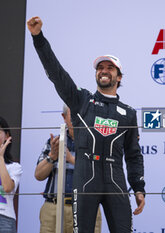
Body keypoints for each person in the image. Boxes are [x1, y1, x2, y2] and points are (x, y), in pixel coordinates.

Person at [27, 16, 145, 233]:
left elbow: (134, 154)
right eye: (101, 67)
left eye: (110, 68)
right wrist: (38, 37)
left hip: (115, 180)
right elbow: (56, 73)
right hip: (85, 179)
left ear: (119, 77)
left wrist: (138, 188)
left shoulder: (128, 113)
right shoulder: (81, 100)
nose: (104, 70)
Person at [35, 105, 102, 233]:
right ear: (64, 117)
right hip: (53, 208)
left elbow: (99, 172)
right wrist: (52, 157)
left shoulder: (95, 142)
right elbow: (38, 175)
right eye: (74, 114)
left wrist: (70, 158)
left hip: (86, 208)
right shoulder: (53, 142)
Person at [0, 116, 23, 233]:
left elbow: (8, 188)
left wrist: (0, 158)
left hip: (5, 219)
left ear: (7, 136)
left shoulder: (14, 167)